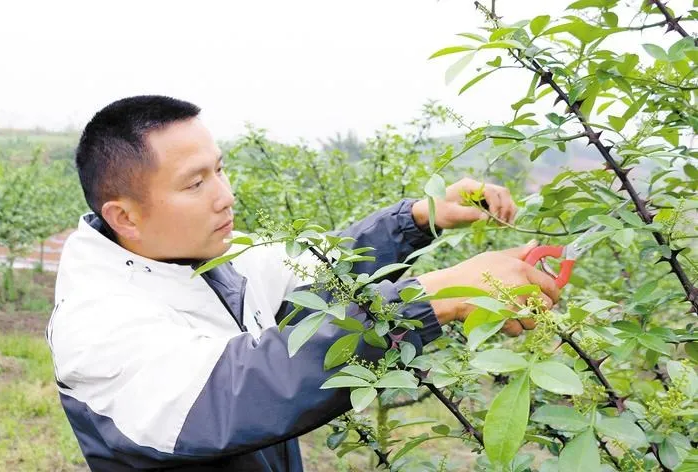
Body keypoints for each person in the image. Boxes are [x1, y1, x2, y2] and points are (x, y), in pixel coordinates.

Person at [47, 95, 560, 471]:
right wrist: (435, 297)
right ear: (125, 217)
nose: (224, 195)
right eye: (196, 183)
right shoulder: (96, 321)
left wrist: (420, 217)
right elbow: (234, 389)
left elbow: (320, 270)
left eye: (220, 170)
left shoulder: (203, 258)